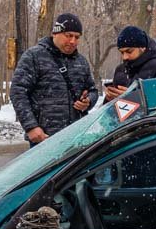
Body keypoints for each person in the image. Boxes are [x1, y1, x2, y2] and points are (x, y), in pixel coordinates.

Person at [9, 13, 99, 146]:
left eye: (77, 37)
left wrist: (88, 101)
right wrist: (31, 126)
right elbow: (18, 91)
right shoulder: (34, 56)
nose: (73, 41)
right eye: (68, 36)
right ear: (55, 33)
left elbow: (93, 90)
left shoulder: (81, 62)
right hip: (45, 138)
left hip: (76, 137)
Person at [104, 26, 156, 101]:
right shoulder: (120, 69)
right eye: (122, 52)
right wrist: (109, 99)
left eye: (129, 51)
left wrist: (132, 98)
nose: (125, 57)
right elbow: (110, 109)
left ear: (143, 48)